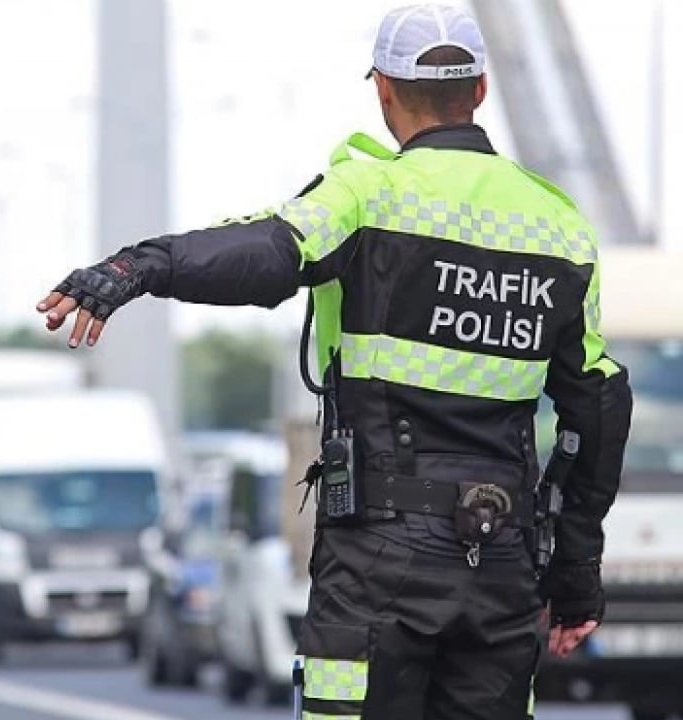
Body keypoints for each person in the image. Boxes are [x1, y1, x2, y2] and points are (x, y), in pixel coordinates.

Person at [36, 5, 632, 719]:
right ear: (479, 89)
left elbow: (263, 254)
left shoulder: (366, 194)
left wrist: (139, 267)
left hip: (379, 559)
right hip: (500, 559)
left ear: (383, 89)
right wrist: (575, 574)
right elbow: (597, 407)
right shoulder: (559, 227)